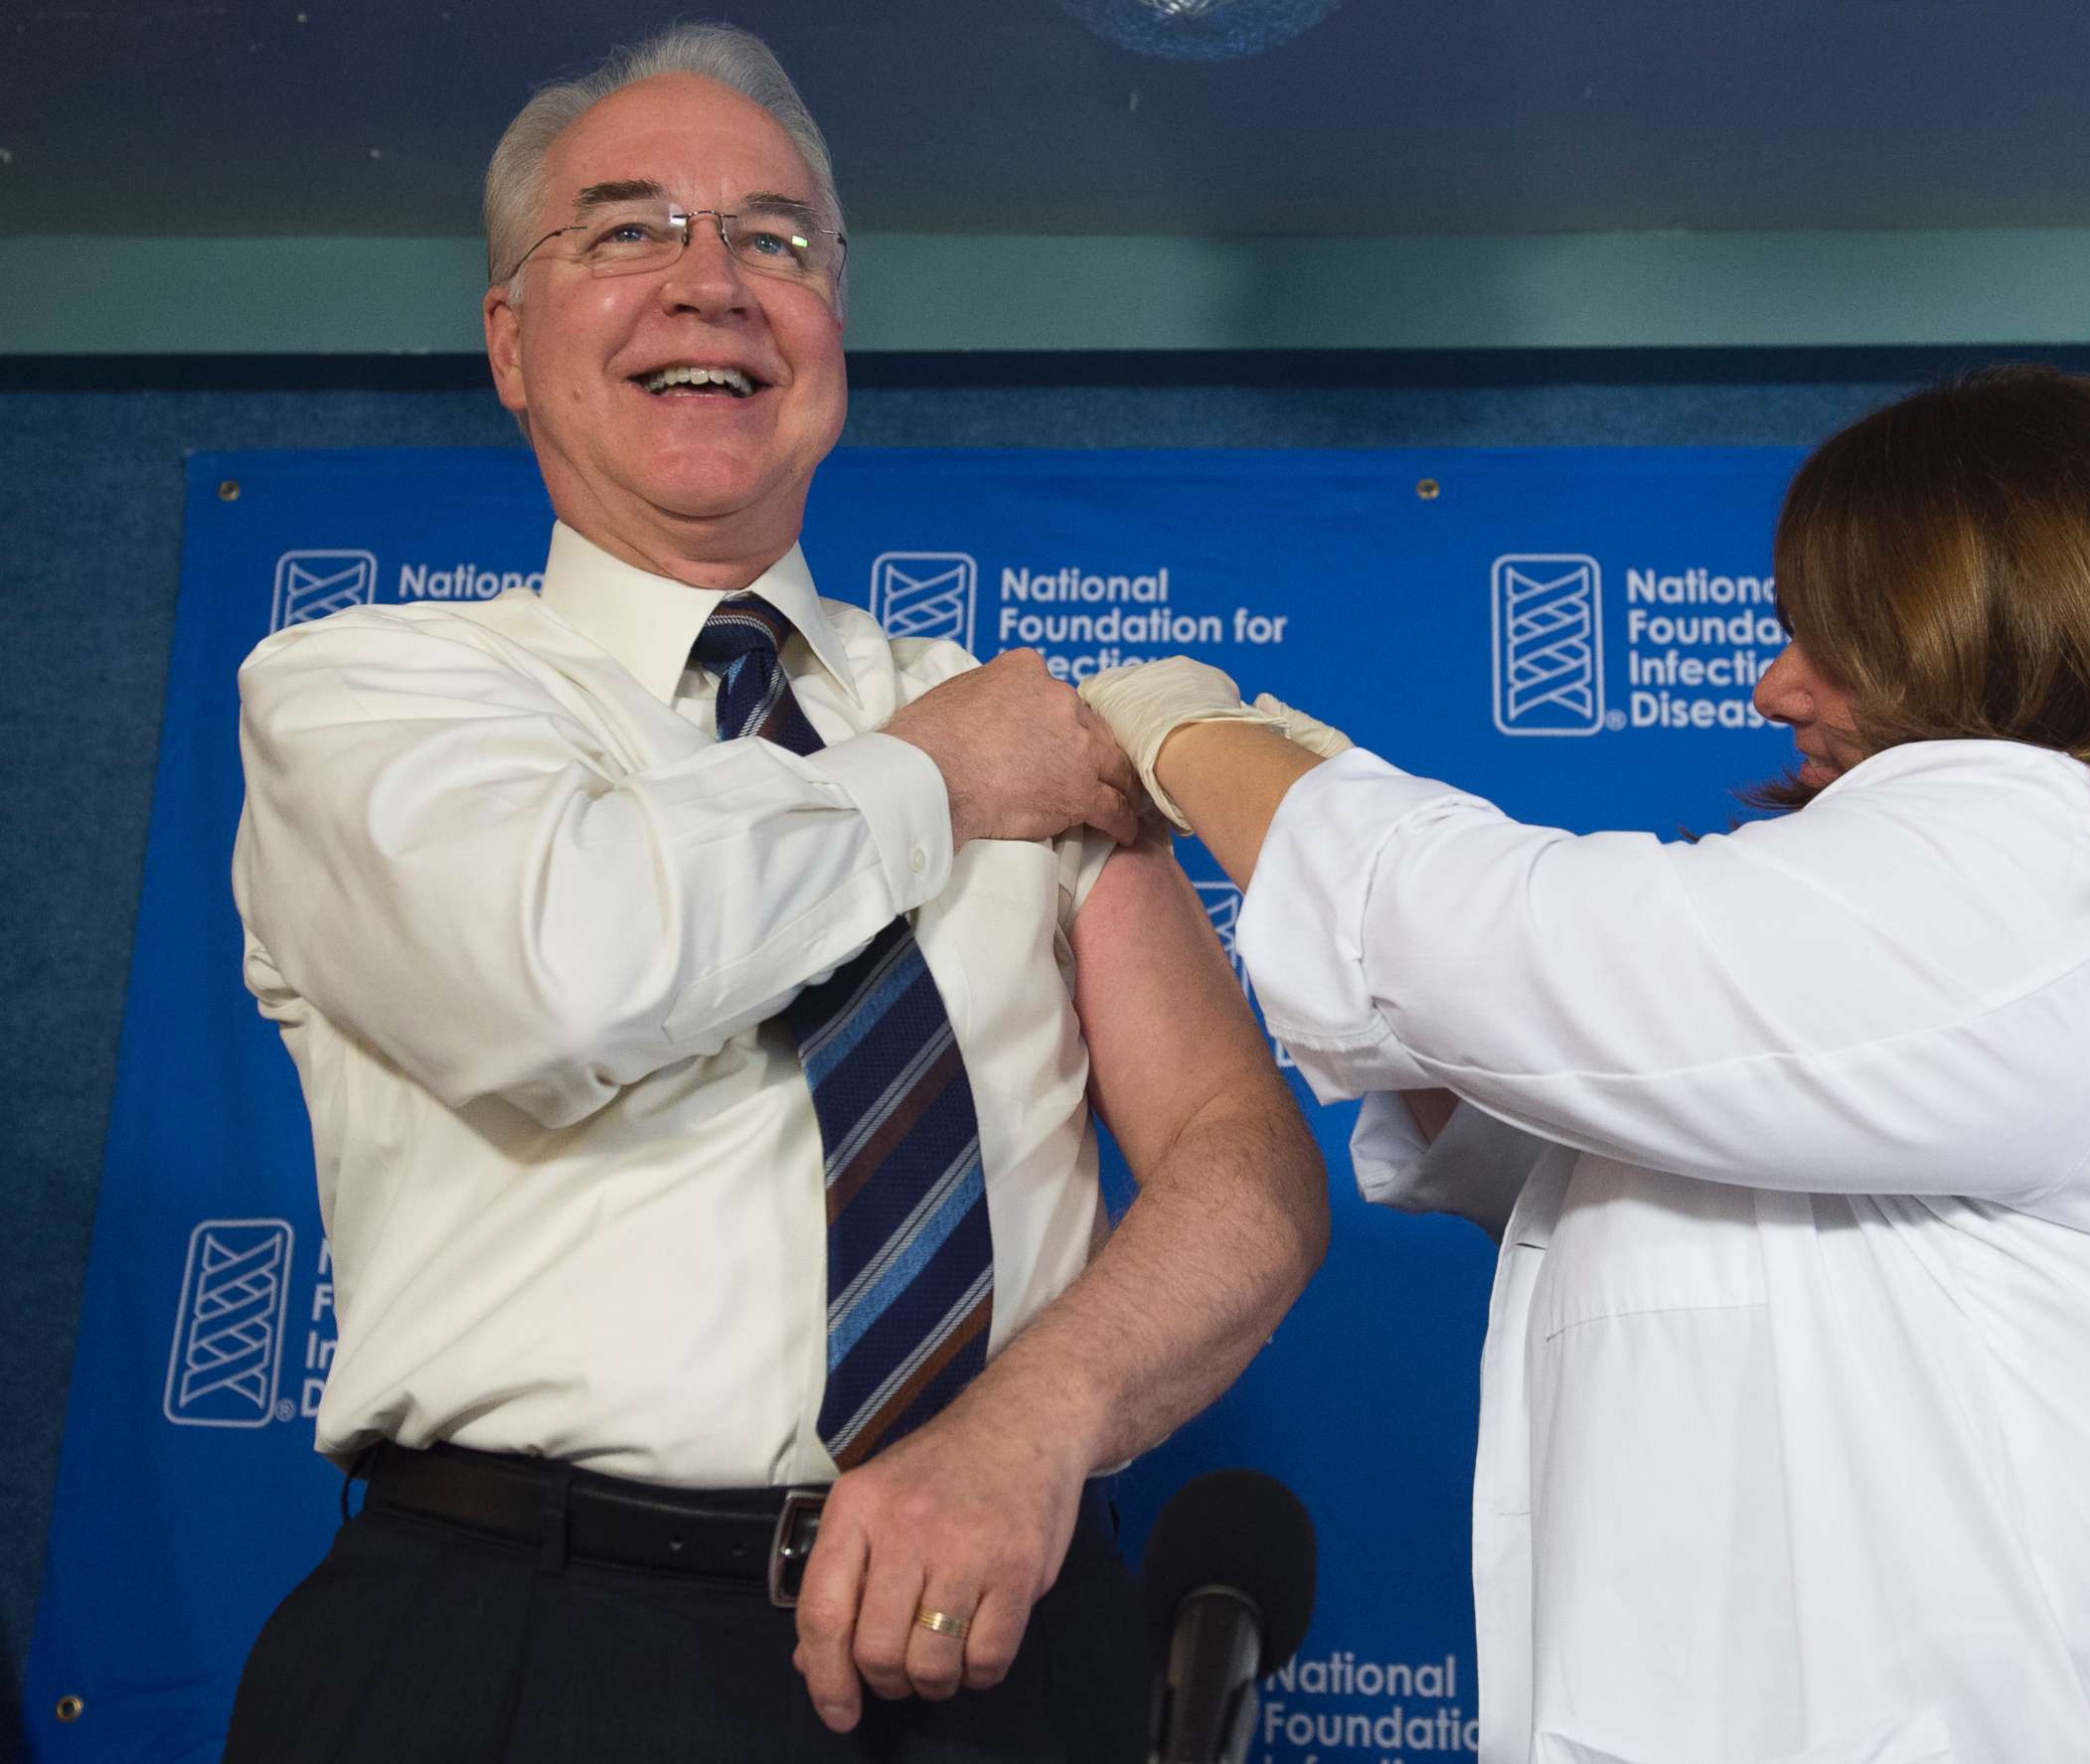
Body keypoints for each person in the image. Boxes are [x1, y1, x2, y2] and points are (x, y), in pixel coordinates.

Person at [1077, 368, 2090, 1764]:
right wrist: (1354, 880)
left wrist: (1186, 736)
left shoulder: (2065, 868)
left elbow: (1522, 962)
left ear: (2012, 628)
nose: (1774, 684)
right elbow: (1616, 1129)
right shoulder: (2010, 943)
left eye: (1839, 636)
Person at [224, 24, 1328, 1763]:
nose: (712, 285)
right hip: (514, 1654)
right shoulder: (366, 693)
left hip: (998, 1633)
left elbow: (1239, 1161)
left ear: (834, 335)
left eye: (776, 240)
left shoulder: (1021, 715)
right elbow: (565, 973)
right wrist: (936, 781)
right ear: (510, 343)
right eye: (626, 230)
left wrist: (1034, 1420)